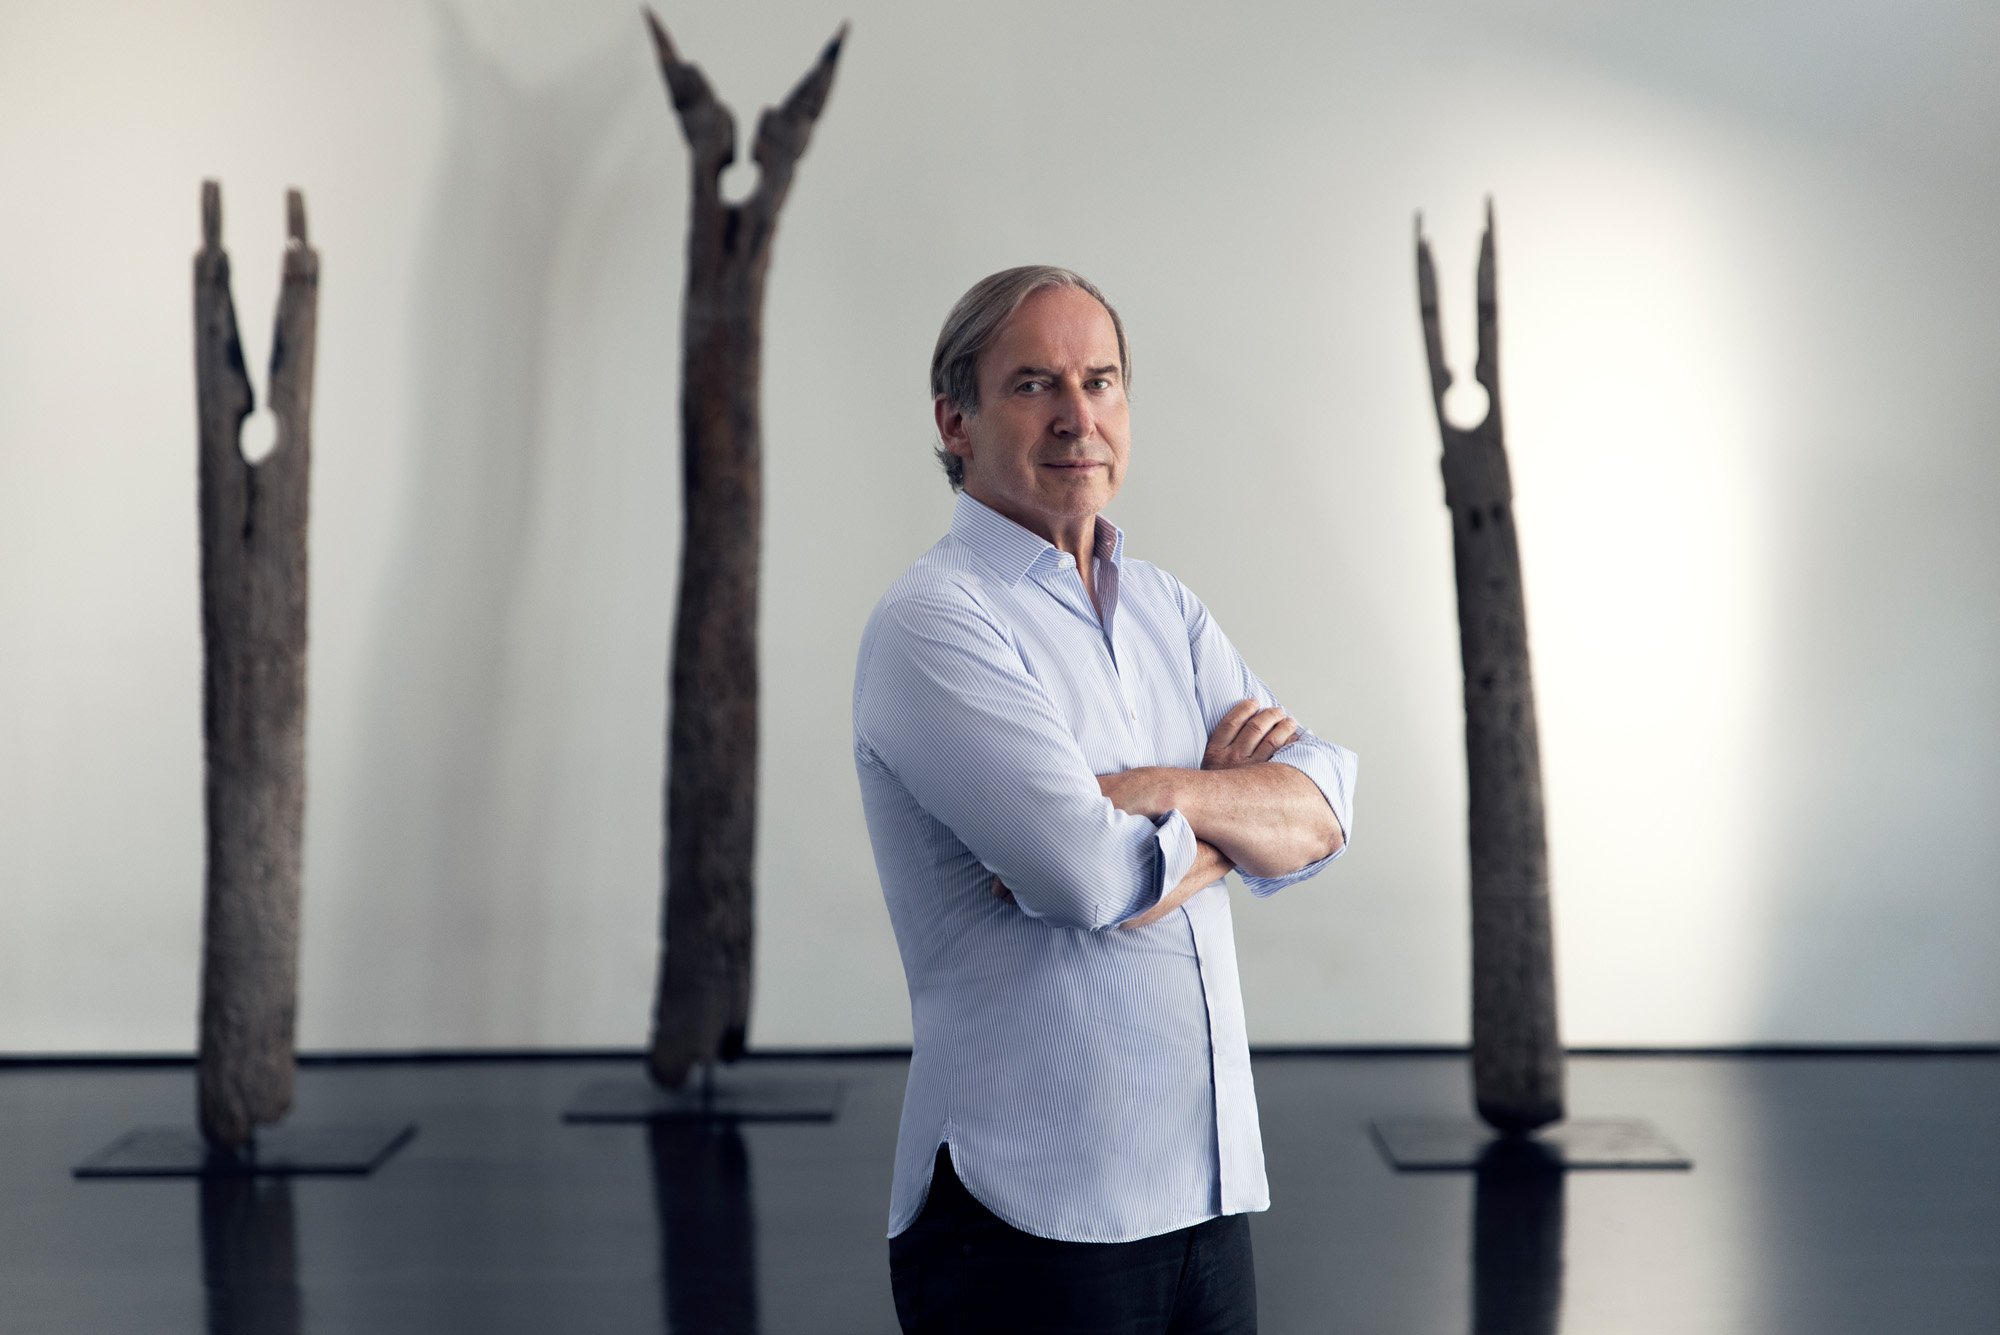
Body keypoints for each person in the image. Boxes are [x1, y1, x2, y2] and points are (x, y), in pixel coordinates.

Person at [853, 266, 1357, 1334]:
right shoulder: (934, 626)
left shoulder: (1165, 609)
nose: (1077, 416)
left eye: (1101, 381)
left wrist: (1157, 793)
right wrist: (1230, 810)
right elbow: (1083, 877)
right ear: (955, 420)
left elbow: (1320, 811)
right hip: (1026, 1217)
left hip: (1205, 1197)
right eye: (1034, 384)